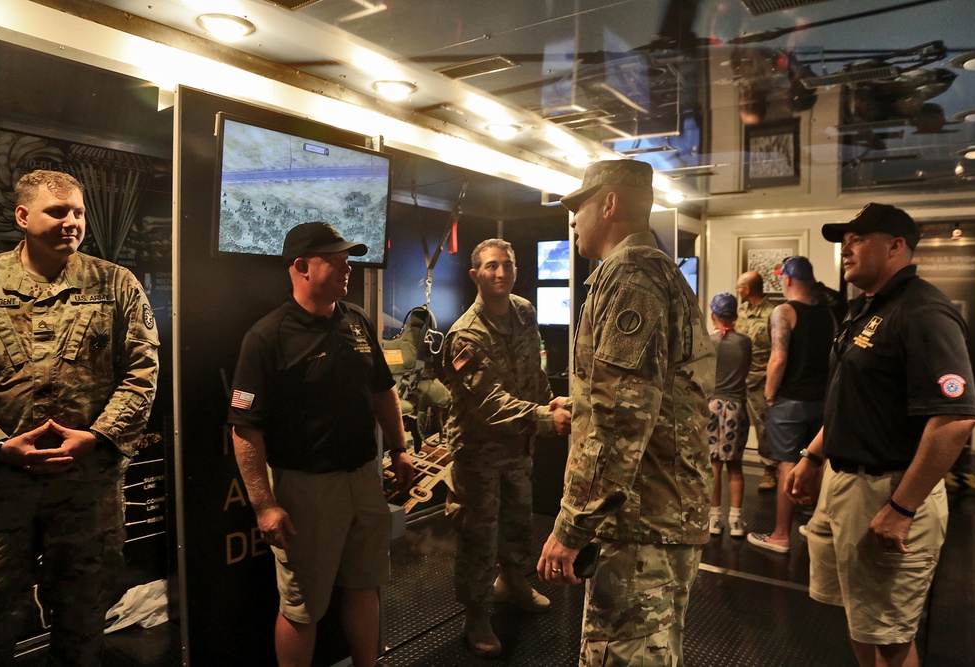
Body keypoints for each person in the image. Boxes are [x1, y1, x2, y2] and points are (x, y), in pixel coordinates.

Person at [537, 160, 715, 666]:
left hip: (640, 520)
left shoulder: (629, 277)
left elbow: (621, 423)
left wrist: (569, 528)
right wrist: (583, 403)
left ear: (609, 204)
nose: (572, 220)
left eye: (579, 207)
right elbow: (653, 394)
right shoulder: (655, 271)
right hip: (656, 513)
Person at [785, 203, 975, 667]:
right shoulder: (867, 309)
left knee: (891, 636)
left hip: (888, 490)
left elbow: (956, 418)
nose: (846, 247)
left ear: (895, 246)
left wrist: (901, 507)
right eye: (844, 239)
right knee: (860, 618)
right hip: (843, 483)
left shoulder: (923, 311)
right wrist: (813, 457)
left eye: (858, 238)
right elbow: (854, 401)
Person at [227, 221, 415, 667]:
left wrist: (400, 448)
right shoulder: (267, 336)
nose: (346, 268)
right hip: (306, 489)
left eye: (347, 260)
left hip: (362, 479)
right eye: (334, 260)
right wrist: (264, 505)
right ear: (300, 267)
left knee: (364, 585)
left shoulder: (357, 320)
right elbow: (244, 428)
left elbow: (382, 389)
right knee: (303, 608)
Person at [0, 170, 160, 666]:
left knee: (85, 615)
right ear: (23, 216)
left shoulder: (115, 284)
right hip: (3, 485)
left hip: (87, 486)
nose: (72, 222)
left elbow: (142, 371)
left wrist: (97, 435)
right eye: (57, 211)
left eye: (78, 213)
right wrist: (1, 444)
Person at [443, 238, 572, 658]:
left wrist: (549, 398)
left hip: (517, 447)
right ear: (475, 274)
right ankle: (476, 614)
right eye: (492, 266)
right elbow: (488, 404)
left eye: (508, 266)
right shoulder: (466, 334)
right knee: (479, 535)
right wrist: (542, 419)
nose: (501, 273)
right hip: (478, 453)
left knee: (518, 519)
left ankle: (514, 583)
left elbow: (533, 367)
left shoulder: (523, 311)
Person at [747, 256, 833, 554]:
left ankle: (781, 535)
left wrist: (770, 395)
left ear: (788, 280)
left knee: (788, 463)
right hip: (821, 400)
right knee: (816, 461)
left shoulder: (783, 311)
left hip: (790, 401)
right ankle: (815, 526)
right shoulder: (827, 313)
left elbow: (779, 358)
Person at [706, 292, 752, 539]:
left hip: (712, 405)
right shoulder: (744, 342)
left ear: (712, 314)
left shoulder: (708, 341)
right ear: (735, 315)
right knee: (735, 465)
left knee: (713, 463)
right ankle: (736, 519)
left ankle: (714, 518)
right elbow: (745, 371)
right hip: (735, 406)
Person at [735, 270, 779, 491]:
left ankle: (770, 470)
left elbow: (778, 350)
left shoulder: (773, 313)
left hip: (760, 381)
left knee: (764, 429)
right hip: (738, 380)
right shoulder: (741, 311)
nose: (737, 290)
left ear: (748, 289)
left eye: (739, 286)